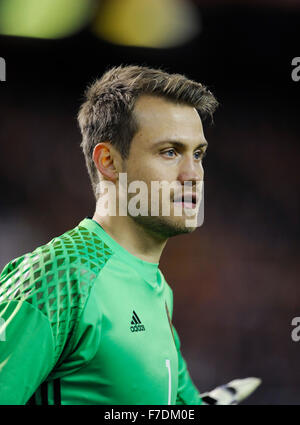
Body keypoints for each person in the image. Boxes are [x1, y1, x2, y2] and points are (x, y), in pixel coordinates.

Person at [0, 65, 260, 405]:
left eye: (198, 154)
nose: (193, 174)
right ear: (108, 161)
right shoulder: (62, 274)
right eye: (169, 152)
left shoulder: (158, 289)